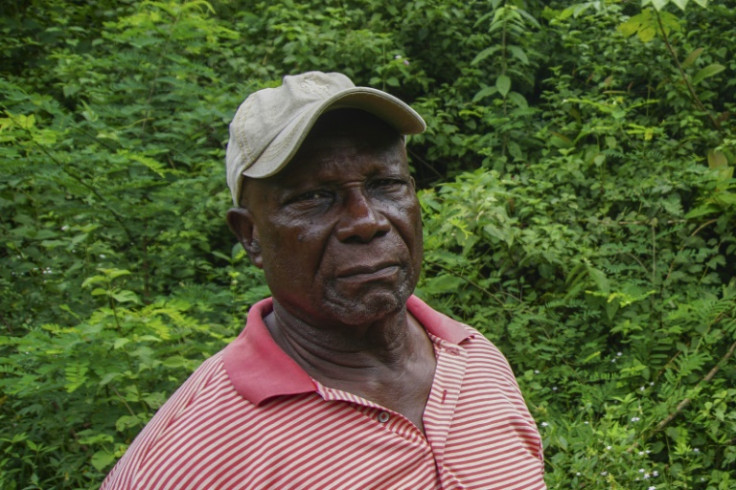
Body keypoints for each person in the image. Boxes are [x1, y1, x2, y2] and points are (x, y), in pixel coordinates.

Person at [102, 71, 546, 489]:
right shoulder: (192, 457)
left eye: (385, 184)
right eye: (314, 196)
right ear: (250, 236)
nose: (365, 220)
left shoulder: (475, 361)